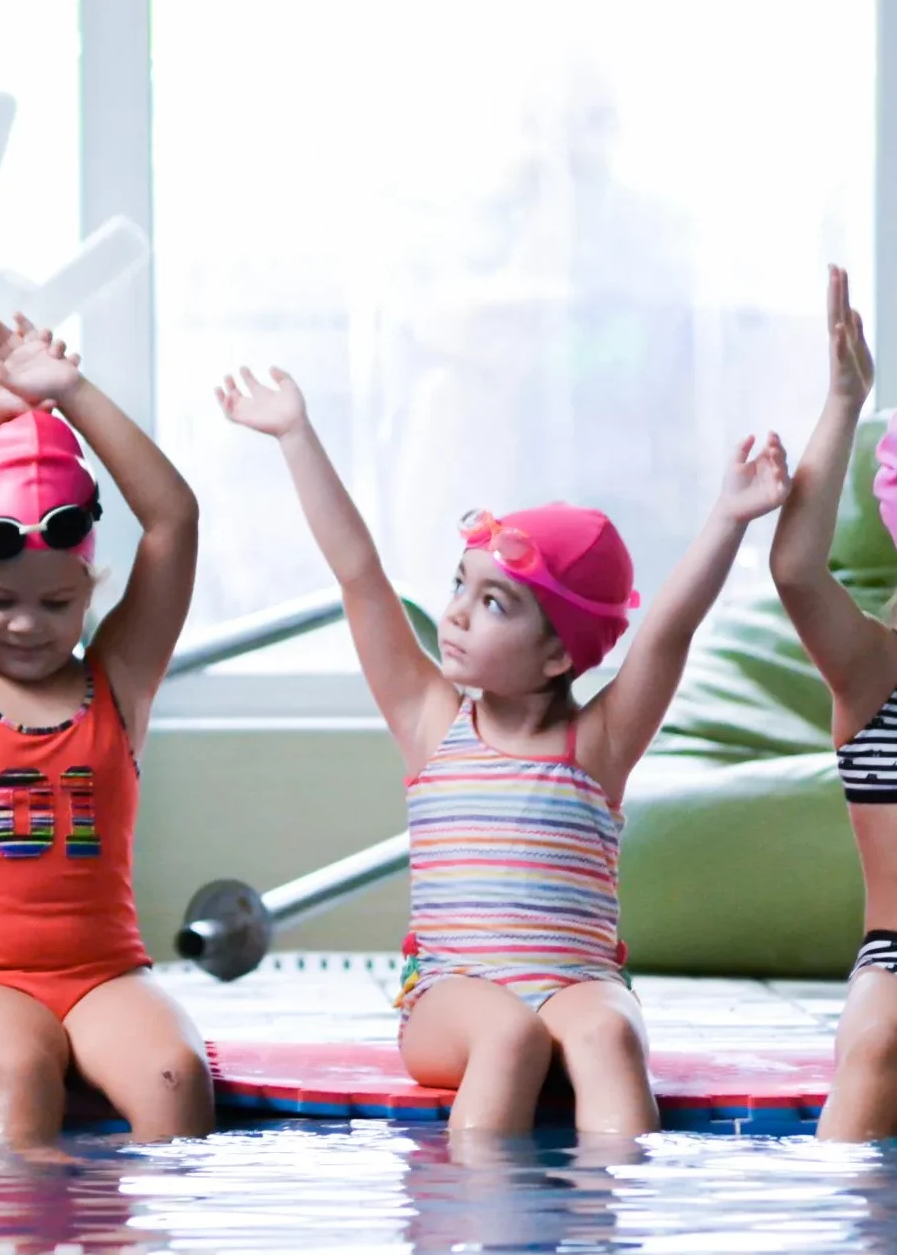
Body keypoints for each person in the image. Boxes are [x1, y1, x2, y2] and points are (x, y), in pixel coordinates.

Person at [220, 364, 791, 1135]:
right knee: (507, 1035)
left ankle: (612, 1238)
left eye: (492, 602)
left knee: (612, 1032)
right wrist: (296, 435)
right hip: (452, 995)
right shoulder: (432, 722)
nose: (454, 614)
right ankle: (478, 1230)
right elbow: (360, 576)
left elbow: (669, 631)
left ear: (560, 653)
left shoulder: (598, 743)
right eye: (460, 584)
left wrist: (731, 516)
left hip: (576, 983)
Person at [0, 315, 213, 1147]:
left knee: (177, 1077)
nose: (27, 624)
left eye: (56, 602)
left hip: (105, 979)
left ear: (90, 588)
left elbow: (174, 519)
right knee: (16, 1071)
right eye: (0, 600)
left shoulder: (118, 684)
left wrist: (71, 395)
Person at [769, 266, 897, 1141]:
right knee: (883, 1039)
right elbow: (795, 569)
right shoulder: (875, 669)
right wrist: (844, 401)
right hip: (896, 967)